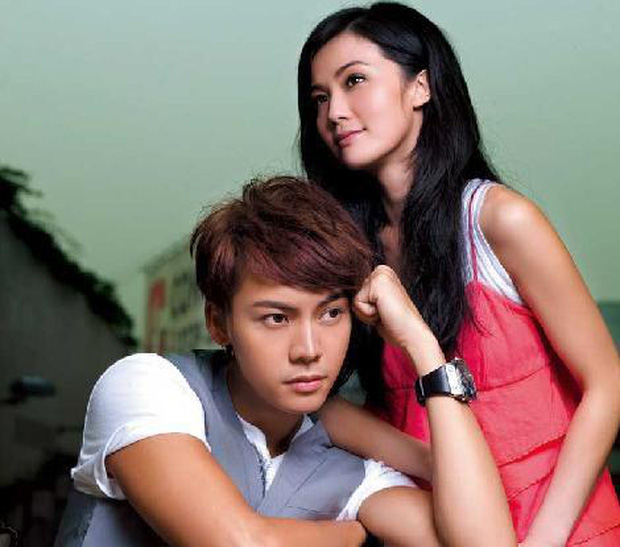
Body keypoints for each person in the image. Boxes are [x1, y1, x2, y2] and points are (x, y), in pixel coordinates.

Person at [296, 3, 620, 546]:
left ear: (420, 86)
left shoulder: (498, 220)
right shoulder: (351, 251)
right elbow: (322, 407)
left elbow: (607, 383)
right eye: (320, 98)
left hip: (564, 529)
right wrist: (431, 468)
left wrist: (544, 540)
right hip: (445, 528)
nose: (334, 112)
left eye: (355, 81)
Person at [55, 176, 516, 546]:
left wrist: (423, 347)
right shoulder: (148, 386)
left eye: (331, 313)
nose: (309, 348)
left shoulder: (349, 468)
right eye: (277, 318)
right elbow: (238, 543)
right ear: (218, 323)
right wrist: (351, 535)